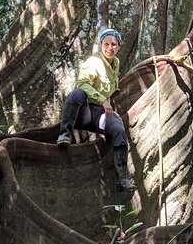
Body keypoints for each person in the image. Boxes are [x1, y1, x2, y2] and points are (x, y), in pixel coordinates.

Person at [56, 28, 135, 192]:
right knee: (76, 93)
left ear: (118, 47)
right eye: (106, 44)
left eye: (114, 44)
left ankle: (123, 178)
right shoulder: (94, 61)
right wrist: (104, 100)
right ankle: (65, 134)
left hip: (100, 115)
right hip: (84, 112)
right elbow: (82, 84)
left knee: (119, 130)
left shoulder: (116, 63)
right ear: (101, 45)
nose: (110, 48)